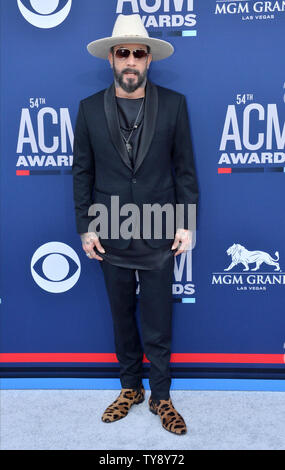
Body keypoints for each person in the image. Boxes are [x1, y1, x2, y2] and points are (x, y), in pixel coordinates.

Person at [72, 13, 199, 435]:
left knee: (159, 318)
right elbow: (82, 174)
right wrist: (86, 227)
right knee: (122, 316)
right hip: (110, 230)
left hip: (161, 227)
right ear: (112, 58)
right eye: (123, 53)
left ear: (149, 60)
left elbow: (185, 170)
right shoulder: (89, 109)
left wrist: (186, 223)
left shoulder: (175, 104)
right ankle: (130, 387)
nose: (130, 60)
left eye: (138, 53)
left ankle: (161, 396)